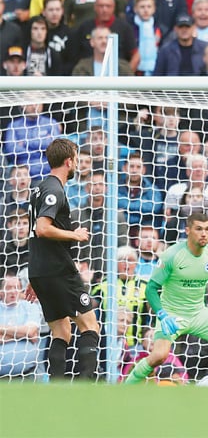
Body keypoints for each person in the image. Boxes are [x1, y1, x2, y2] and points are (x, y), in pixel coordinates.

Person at [125, 212, 208, 384]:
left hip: (199, 314)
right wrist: (162, 315)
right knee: (159, 356)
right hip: (171, 315)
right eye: (199, 229)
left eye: (207, 229)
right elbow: (151, 289)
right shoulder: (172, 255)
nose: (204, 234)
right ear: (187, 230)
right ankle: (125, 387)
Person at [24, 139, 100, 380]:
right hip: (58, 269)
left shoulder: (38, 188)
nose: (77, 164)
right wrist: (74, 234)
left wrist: (35, 275)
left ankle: (56, 389)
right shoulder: (54, 189)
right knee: (90, 325)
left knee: (61, 330)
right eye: (76, 159)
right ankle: (86, 389)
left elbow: (34, 235)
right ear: (69, 161)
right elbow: (42, 229)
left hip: (41, 269)